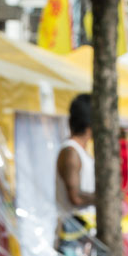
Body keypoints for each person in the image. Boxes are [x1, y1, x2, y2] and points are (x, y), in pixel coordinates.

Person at [55, 93, 95, 235]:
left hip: (83, 230)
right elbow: (75, 197)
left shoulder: (81, 151)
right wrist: (106, 198)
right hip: (73, 232)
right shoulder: (71, 152)